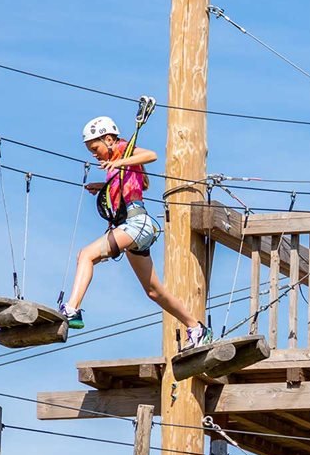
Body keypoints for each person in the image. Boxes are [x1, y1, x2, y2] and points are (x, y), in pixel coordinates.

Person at [59, 116, 212, 347]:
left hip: (136, 222)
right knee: (153, 291)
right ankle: (196, 328)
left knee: (86, 255)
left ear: (108, 139)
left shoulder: (122, 150)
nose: (93, 153)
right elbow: (134, 184)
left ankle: (72, 309)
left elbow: (152, 155)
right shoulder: (118, 164)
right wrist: (103, 186)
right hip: (134, 228)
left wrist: (119, 163)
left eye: (95, 147)